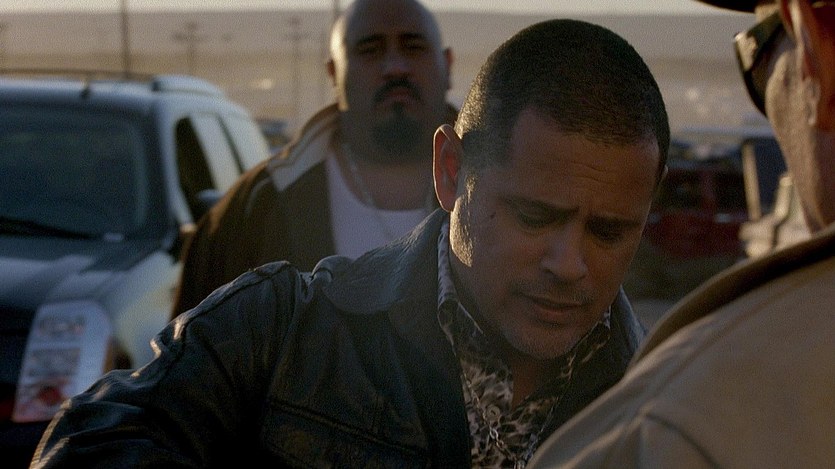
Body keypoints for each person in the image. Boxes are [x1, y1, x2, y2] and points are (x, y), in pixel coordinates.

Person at [30, 18, 669, 468]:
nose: (569, 263)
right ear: (451, 172)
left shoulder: (674, 414)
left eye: (610, 231)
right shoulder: (278, 336)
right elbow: (82, 447)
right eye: (534, 217)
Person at [528, 1, 835, 467]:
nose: (568, 261)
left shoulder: (675, 430)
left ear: (815, 49)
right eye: (536, 215)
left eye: (756, 57)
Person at [170, 0, 457, 317]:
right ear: (334, 73)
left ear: (447, 66)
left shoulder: (494, 189)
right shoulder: (258, 207)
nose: (395, 67)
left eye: (414, 48)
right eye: (370, 50)